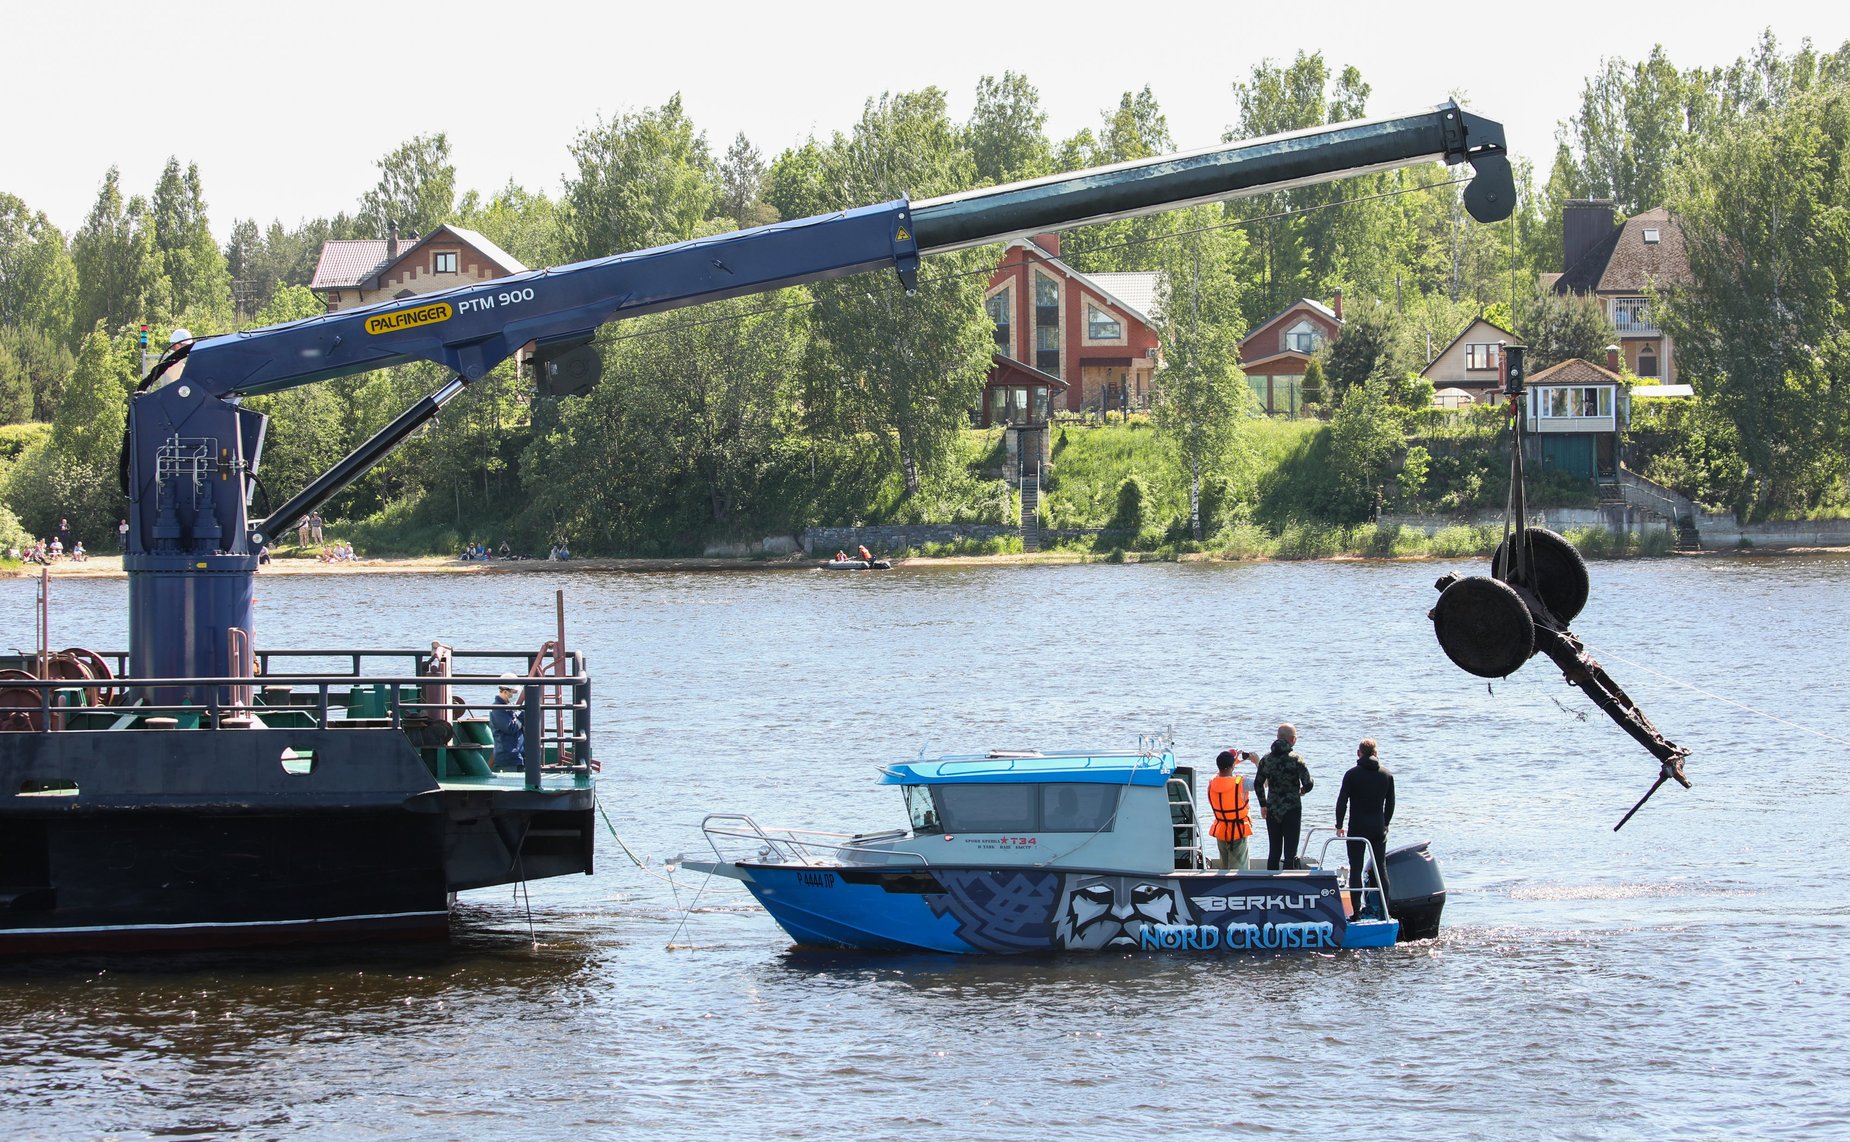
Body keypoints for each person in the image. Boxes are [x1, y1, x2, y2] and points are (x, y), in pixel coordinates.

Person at [1336, 738, 1396, 921]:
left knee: (1356, 868)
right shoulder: (1386, 774)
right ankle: (1385, 912)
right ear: (1376, 753)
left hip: (1357, 827)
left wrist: (1339, 825)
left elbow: (1342, 801)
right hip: (1378, 828)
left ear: (1358, 753)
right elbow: (1391, 803)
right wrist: (1385, 823)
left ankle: (1355, 914)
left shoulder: (1352, 774)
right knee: (1380, 869)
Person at [1254, 723, 1314, 871]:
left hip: (1272, 809)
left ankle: (1271, 883)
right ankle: (1289, 883)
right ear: (1292, 739)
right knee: (1290, 852)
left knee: (1274, 850)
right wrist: (1302, 791)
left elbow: (1258, 784)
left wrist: (1263, 804)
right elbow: (1308, 783)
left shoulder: (1266, 759)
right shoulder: (1296, 759)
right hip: (1292, 808)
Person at [1206, 749, 1255, 872]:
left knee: (1225, 867)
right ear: (1232, 766)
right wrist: (1257, 763)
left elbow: (1222, 771)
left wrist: (1234, 761)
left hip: (1222, 829)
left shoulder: (1212, 782)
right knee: (1239, 870)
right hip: (1238, 831)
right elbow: (1263, 783)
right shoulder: (1241, 782)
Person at [490, 674, 525, 771]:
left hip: (516, 755)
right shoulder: (498, 709)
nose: (516, 695)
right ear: (505, 691)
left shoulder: (508, 706)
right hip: (508, 757)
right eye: (514, 692)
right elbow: (510, 727)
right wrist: (522, 716)